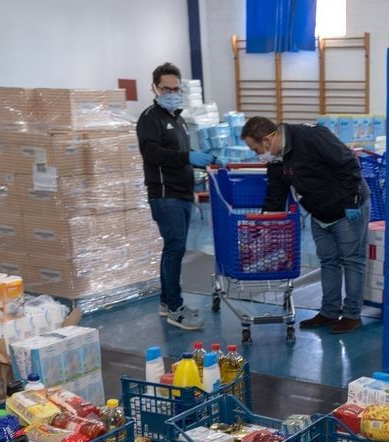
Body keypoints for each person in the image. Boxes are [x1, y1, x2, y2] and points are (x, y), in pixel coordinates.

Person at [241, 116, 369, 334]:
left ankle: (351, 315)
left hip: (347, 207)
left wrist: (351, 200)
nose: (257, 155)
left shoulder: (311, 136)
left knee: (352, 260)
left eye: (255, 149)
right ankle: (329, 311)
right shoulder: (276, 158)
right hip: (319, 211)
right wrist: (264, 225)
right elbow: (275, 193)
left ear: (267, 140)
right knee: (328, 261)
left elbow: (348, 162)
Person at [137, 62, 219, 331]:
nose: (171, 93)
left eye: (175, 89)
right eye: (166, 89)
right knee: (174, 248)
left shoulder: (179, 119)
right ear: (155, 88)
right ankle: (175, 308)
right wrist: (188, 157)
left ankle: (166, 302)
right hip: (165, 194)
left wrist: (202, 162)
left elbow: (180, 156)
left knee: (175, 248)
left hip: (182, 193)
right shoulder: (150, 118)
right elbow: (152, 154)